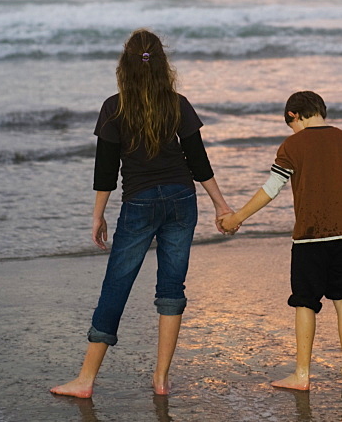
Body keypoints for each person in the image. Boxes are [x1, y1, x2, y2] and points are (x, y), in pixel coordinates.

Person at [51, 29, 233, 398]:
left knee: (117, 284)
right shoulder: (177, 103)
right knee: (171, 287)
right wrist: (220, 204)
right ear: (162, 63)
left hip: (140, 204)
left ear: (125, 66)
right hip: (183, 200)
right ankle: (161, 379)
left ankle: (86, 380)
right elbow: (198, 161)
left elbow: (105, 172)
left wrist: (97, 216)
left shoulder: (114, 107)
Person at [221, 90, 342, 391]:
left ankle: (302, 375)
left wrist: (237, 218)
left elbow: (272, 188)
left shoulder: (293, 144)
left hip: (309, 238)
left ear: (293, 115)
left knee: (305, 301)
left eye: (292, 124)